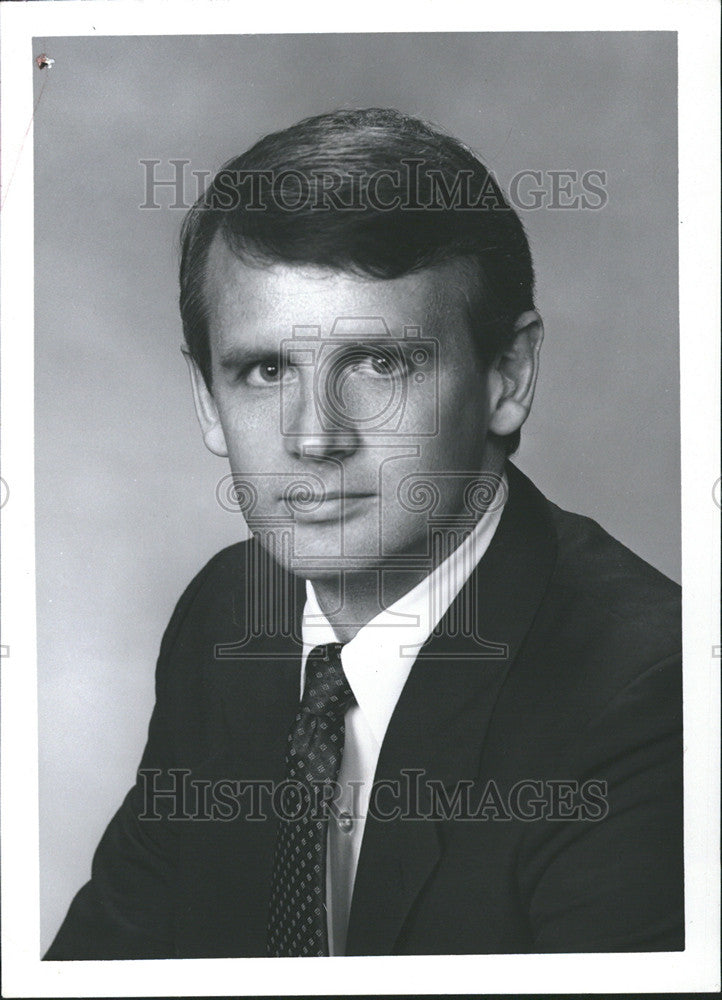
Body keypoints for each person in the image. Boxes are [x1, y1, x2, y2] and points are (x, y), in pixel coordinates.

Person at [45, 108, 683, 959]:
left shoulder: (655, 700)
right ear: (207, 399)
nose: (315, 438)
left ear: (509, 375)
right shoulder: (229, 614)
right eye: (266, 370)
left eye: (380, 363)